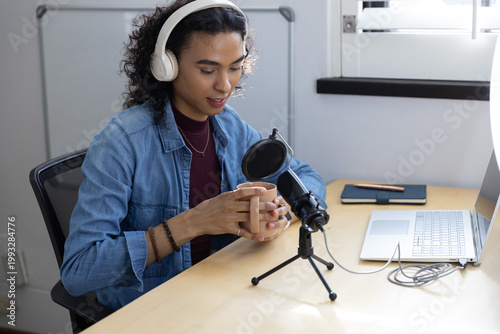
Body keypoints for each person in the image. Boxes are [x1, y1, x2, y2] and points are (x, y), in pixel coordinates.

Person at [60, 0, 327, 311]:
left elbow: (309, 179)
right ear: (167, 66)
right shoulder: (122, 142)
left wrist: (280, 211)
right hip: (154, 311)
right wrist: (194, 223)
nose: (225, 85)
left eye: (235, 67)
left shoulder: (229, 125)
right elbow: (79, 272)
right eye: (207, 69)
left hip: (221, 296)